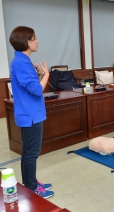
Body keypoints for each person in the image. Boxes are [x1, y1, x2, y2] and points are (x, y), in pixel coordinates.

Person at [9, 26, 54, 198]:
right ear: (26, 41)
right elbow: (36, 90)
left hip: (31, 114)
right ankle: (31, 187)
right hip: (30, 116)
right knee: (31, 152)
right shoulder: (21, 63)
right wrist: (46, 75)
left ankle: (31, 182)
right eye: (34, 38)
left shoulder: (22, 61)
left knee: (30, 151)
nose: (37, 41)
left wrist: (39, 73)